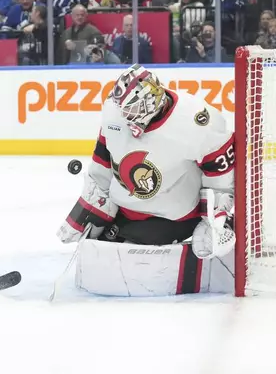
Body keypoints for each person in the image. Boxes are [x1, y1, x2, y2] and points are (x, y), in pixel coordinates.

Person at [55, 64, 235, 297]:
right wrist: (88, 208)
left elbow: (221, 182)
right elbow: (103, 160)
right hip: (124, 209)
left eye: (132, 110)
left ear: (152, 102)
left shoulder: (196, 121)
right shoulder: (114, 110)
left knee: (122, 259)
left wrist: (215, 222)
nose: (124, 116)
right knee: (97, 249)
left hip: (171, 218)